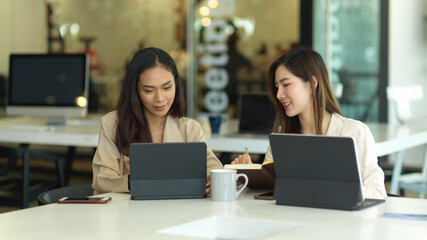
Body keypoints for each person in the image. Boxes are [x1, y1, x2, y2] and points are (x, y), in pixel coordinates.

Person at [231, 48, 387, 197]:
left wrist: (332, 190)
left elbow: (377, 192)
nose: (278, 95)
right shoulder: (281, 138)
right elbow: (274, 191)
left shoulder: (354, 132)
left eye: (286, 85)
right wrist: (251, 174)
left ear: (312, 83)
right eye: (277, 87)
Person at [92, 47, 223, 195]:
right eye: (149, 90)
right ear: (134, 90)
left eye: (167, 88)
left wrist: (217, 179)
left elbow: (214, 171)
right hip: (128, 215)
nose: (159, 98)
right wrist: (133, 180)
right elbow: (100, 181)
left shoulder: (190, 129)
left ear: (176, 85)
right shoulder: (113, 124)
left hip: (180, 214)